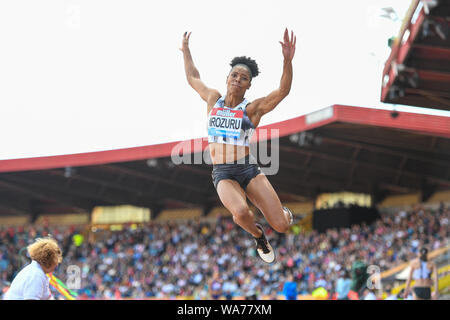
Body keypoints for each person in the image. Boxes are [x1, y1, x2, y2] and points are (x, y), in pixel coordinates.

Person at [180, 28, 296, 264]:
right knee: (242, 213)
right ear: (227, 78)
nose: (237, 80)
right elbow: (193, 77)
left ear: (248, 85)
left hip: (247, 168)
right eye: (234, 75)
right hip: (222, 172)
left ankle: (284, 213)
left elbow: (283, 91)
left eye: (243, 78)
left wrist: (287, 60)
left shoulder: (251, 110)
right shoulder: (213, 99)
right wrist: (186, 51)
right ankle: (258, 236)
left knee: (282, 226)